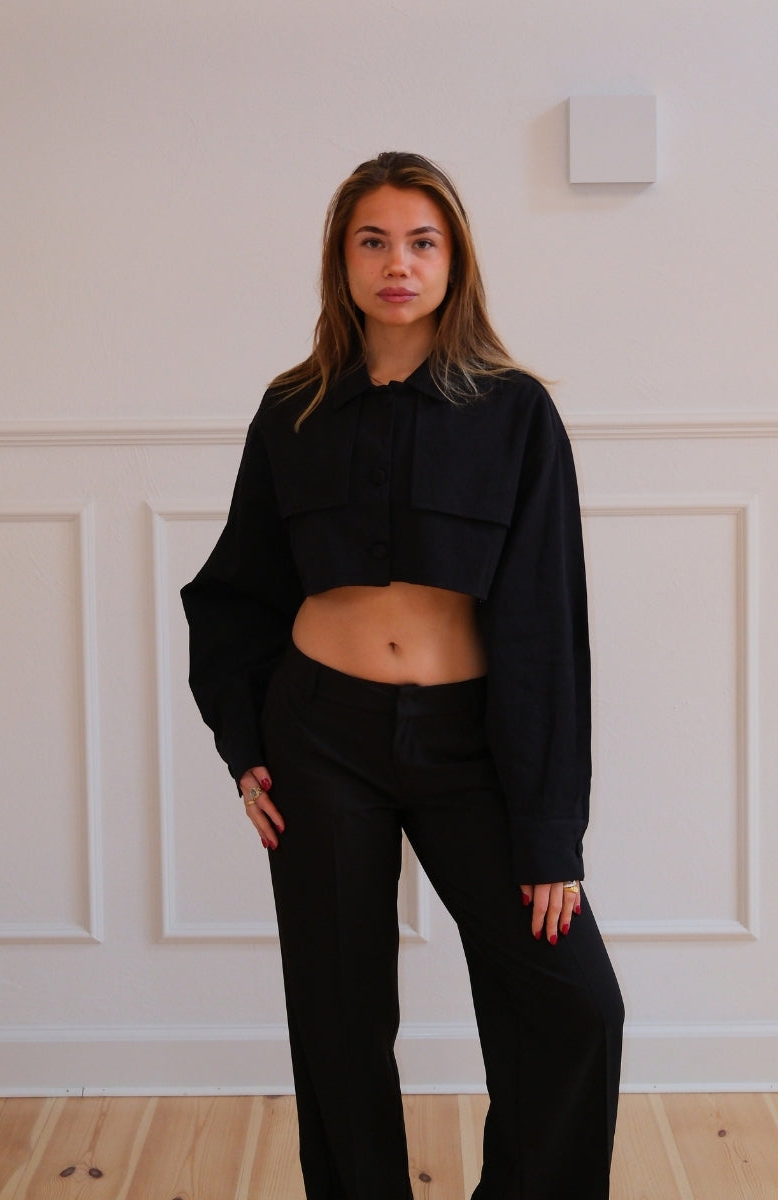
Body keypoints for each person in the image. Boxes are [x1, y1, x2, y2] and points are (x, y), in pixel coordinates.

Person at [181, 151, 624, 1200]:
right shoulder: (292, 408)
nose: (398, 264)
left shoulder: (514, 412)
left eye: (422, 243)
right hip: (318, 739)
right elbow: (237, 589)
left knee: (572, 1005)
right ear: (341, 261)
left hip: (472, 747)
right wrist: (244, 749)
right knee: (337, 1016)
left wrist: (550, 831)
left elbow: (546, 626)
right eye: (373, 241)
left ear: (454, 260)